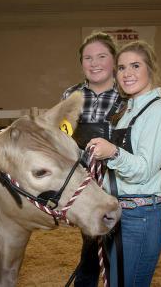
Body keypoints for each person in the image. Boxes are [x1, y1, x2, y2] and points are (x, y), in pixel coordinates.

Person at [87, 40, 161, 286]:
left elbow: (143, 170)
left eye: (135, 66)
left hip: (141, 216)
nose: (127, 73)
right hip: (119, 212)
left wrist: (112, 153)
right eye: (121, 68)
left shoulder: (159, 111)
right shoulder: (128, 111)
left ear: (150, 69)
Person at [62, 31, 125, 287]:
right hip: (88, 183)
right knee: (90, 246)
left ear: (114, 60)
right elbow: (63, 136)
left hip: (121, 180)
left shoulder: (127, 94)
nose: (94, 63)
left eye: (101, 56)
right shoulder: (71, 95)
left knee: (120, 250)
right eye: (88, 58)